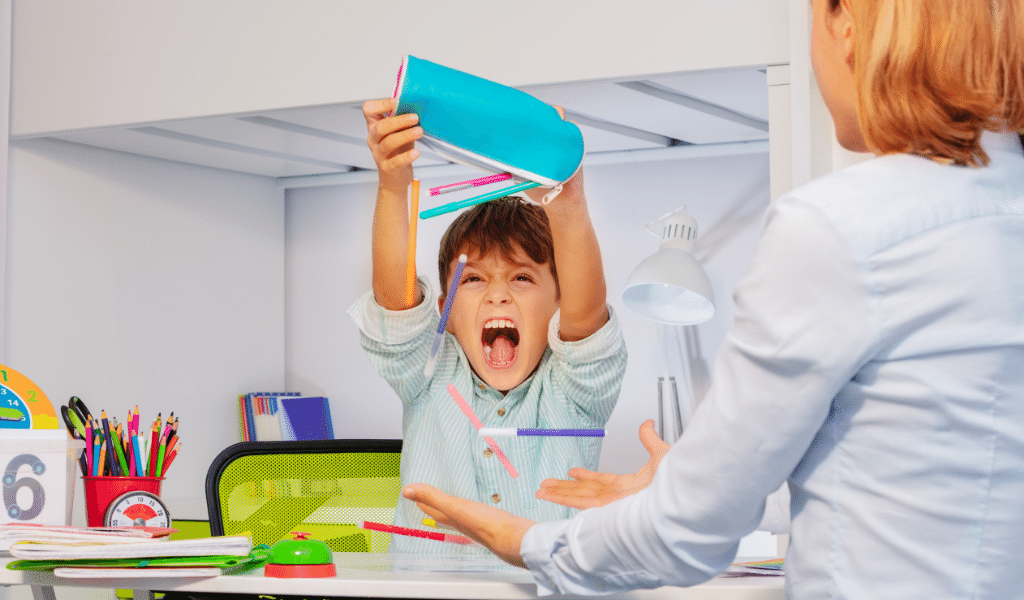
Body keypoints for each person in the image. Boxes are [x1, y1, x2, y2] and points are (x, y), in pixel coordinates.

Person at [402, 0, 1024, 596]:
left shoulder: (838, 229)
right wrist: (675, 487)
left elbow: (690, 533)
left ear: (848, 22)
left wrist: (533, 544)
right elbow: (912, 479)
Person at [349, 98, 627, 554]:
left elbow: (586, 310)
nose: (498, 295)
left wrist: (568, 202)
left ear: (559, 303)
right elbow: (395, 304)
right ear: (445, 312)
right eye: (474, 279)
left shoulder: (577, 391)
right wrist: (394, 186)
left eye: (521, 277)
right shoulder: (428, 375)